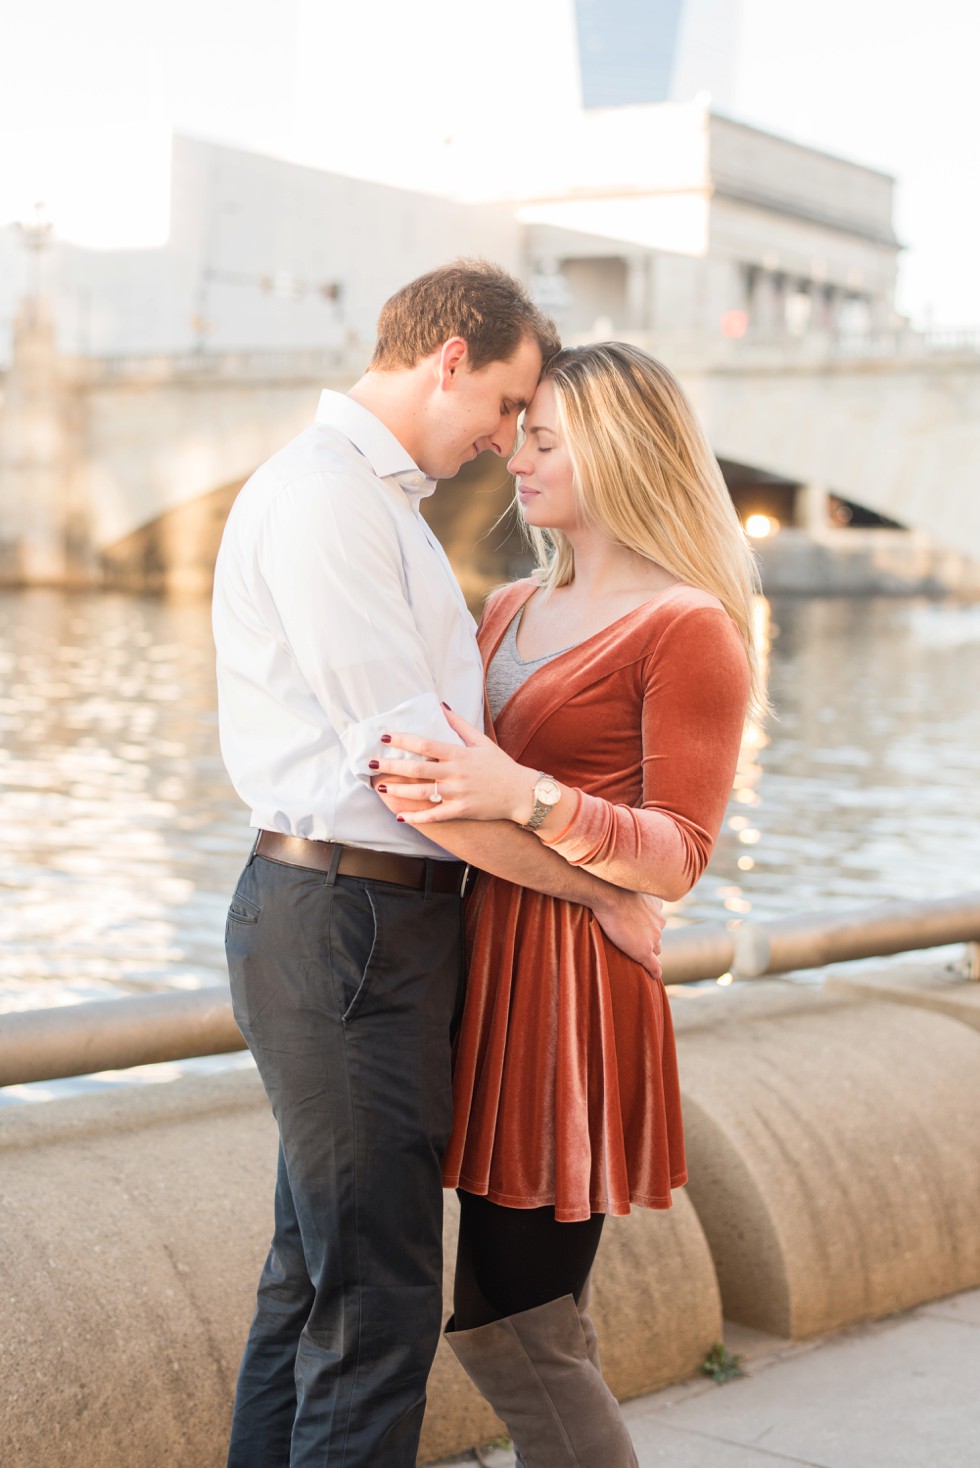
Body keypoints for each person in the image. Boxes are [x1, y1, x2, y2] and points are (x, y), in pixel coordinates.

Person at [212, 269, 667, 1468]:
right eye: (510, 402)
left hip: (367, 920)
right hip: (348, 920)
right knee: (378, 1307)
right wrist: (604, 893)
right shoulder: (329, 504)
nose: (506, 438)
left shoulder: (380, 506)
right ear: (449, 358)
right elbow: (419, 778)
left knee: (317, 1280)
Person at [372, 341, 766, 1466]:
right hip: (466, 969)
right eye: (521, 432)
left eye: (546, 439)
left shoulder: (686, 626)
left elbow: (679, 852)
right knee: (519, 1320)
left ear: (621, 450)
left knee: (514, 1327)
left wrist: (527, 795)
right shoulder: (502, 608)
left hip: (568, 1005)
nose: (518, 456)